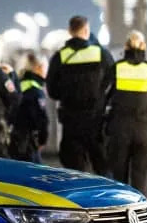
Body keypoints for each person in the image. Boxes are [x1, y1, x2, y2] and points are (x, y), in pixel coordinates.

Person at [102, 30, 147, 193]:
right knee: (139, 182)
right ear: (144, 46)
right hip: (143, 131)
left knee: (119, 184)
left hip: (119, 131)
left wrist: (98, 130)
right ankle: (139, 217)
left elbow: (101, 100)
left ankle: (120, 217)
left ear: (126, 47)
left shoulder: (116, 69)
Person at [46, 15, 114, 174]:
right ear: (86, 30)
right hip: (96, 120)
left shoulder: (60, 57)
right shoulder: (100, 53)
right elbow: (113, 80)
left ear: (70, 31)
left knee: (75, 171)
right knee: (102, 169)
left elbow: (52, 91)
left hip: (71, 121)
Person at [10, 52, 49, 163]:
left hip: (15, 138)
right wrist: (42, 140)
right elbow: (41, 119)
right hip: (28, 141)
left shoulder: (19, 83)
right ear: (38, 67)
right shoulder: (34, 89)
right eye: (46, 67)